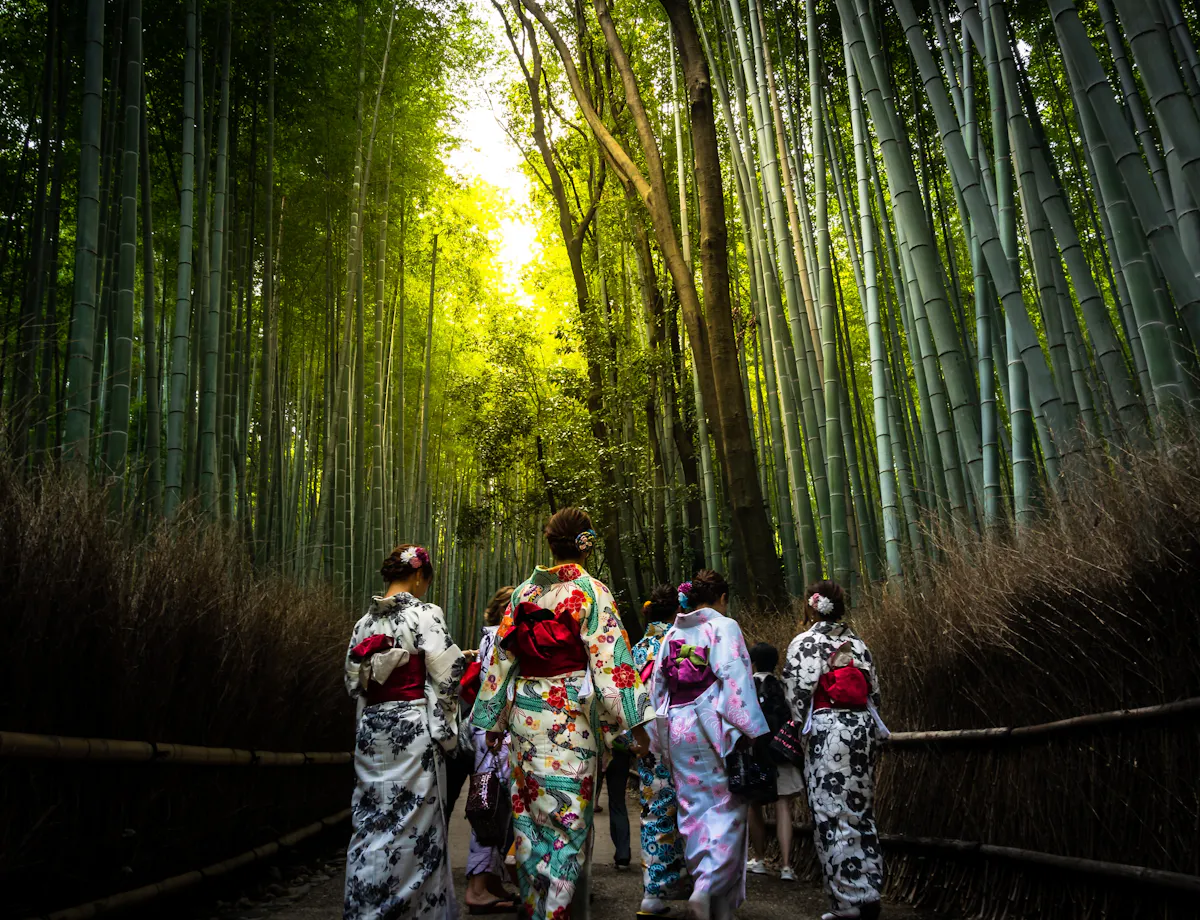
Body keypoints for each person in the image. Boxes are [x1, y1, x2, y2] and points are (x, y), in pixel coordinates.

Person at [473, 507, 654, 920]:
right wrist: (636, 726)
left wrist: (494, 721)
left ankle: (540, 907)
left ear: (551, 543)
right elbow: (613, 666)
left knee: (530, 820)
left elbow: (501, 661)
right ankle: (553, 913)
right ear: (586, 544)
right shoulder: (591, 591)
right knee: (567, 821)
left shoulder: (523, 594)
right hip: (570, 715)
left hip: (524, 714)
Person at [343, 544, 466, 920]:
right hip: (412, 730)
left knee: (371, 818)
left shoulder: (363, 624)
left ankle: (365, 903)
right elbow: (449, 675)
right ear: (418, 576)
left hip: (373, 729)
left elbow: (354, 683)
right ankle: (415, 911)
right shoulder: (425, 613)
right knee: (416, 823)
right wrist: (446, 728)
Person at [648, 571, 771, 920]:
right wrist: (750, 730)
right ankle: (707, 886)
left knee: (692, 809)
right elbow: (735, 676)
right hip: (711, 726)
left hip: (677, 725)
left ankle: (718, 904)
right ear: (721, 598)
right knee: (728, 810)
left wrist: (660, 738)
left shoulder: (673, 632)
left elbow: (659, 685)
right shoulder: (723, 626)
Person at [783, 580, 885, 920]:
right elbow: (875, 693)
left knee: (830, 813)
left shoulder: (805, 643)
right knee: (860, 811)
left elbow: (797, 697)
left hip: (828, 732)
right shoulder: (858, 643)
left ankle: (846, 900)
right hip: (863, 729)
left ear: (812, 606)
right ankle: (869, 892)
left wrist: (800, 733)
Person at [631, 584, 690, 916]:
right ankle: (697, 886)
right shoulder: (681, 643)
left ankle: (653, 893)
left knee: (654, 812)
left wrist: (633, 738)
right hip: (684, 737)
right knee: (693, 812)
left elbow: (629, 698)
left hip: (648, 741)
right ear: (677, 611)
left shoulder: (637, 649)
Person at [465, 586, 519, 913]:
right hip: (495, 731)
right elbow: (500, 687)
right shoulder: (502, 640)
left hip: (488, 727)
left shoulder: (487, 639)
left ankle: (493, 883)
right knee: (490, 807)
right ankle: (477, 888)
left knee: (498, 808)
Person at [746, 642, 800, 882]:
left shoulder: (747, 687)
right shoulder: (783, 686)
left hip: (755, 754)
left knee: (753, 805)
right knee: (783, 806)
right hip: (782, 754)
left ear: (753, 662)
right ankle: (787, 866)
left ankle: (758, 859)